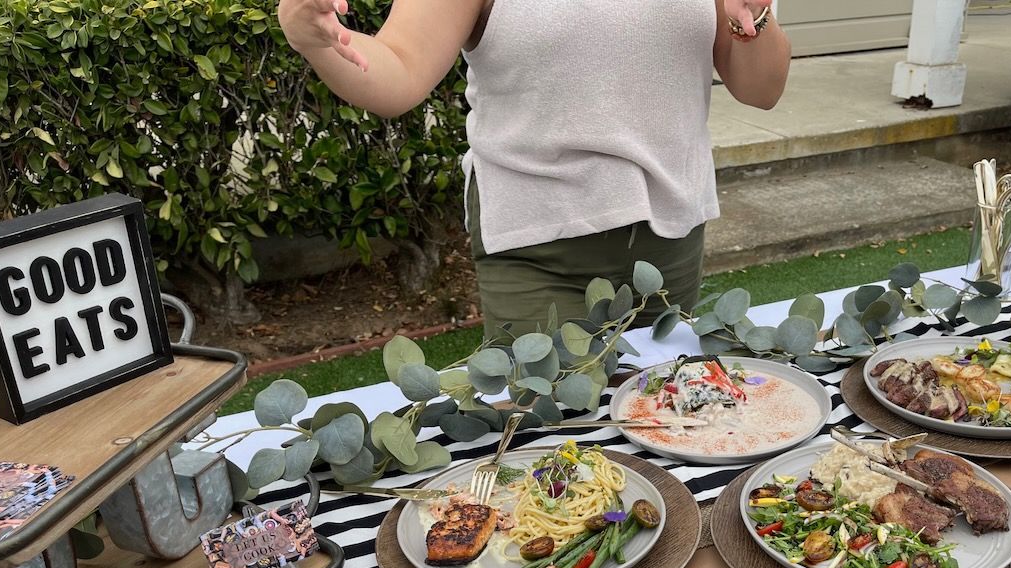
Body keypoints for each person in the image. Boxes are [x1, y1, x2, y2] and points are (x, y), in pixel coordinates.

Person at [276, 0, 792, 343]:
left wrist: (757, 16)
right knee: (552, 464)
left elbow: (762, 89)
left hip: (671, 240)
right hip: (539, 248)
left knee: (668, 427)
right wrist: (316, 39)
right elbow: (397, 71)